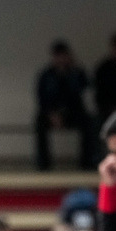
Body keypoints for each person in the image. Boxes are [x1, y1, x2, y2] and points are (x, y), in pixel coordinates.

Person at [35, 40, 95, 171]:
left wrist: (74, 70)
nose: (61, 59)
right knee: (39, 121)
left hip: (73, 113)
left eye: (64, 56)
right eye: (58, 56)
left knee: (89, 122)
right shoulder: (46, 75)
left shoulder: (76, 72)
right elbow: (41, 98)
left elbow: (85, 86)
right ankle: (43, 163)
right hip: (51, 113)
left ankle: (87, 162)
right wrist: (52, 114)